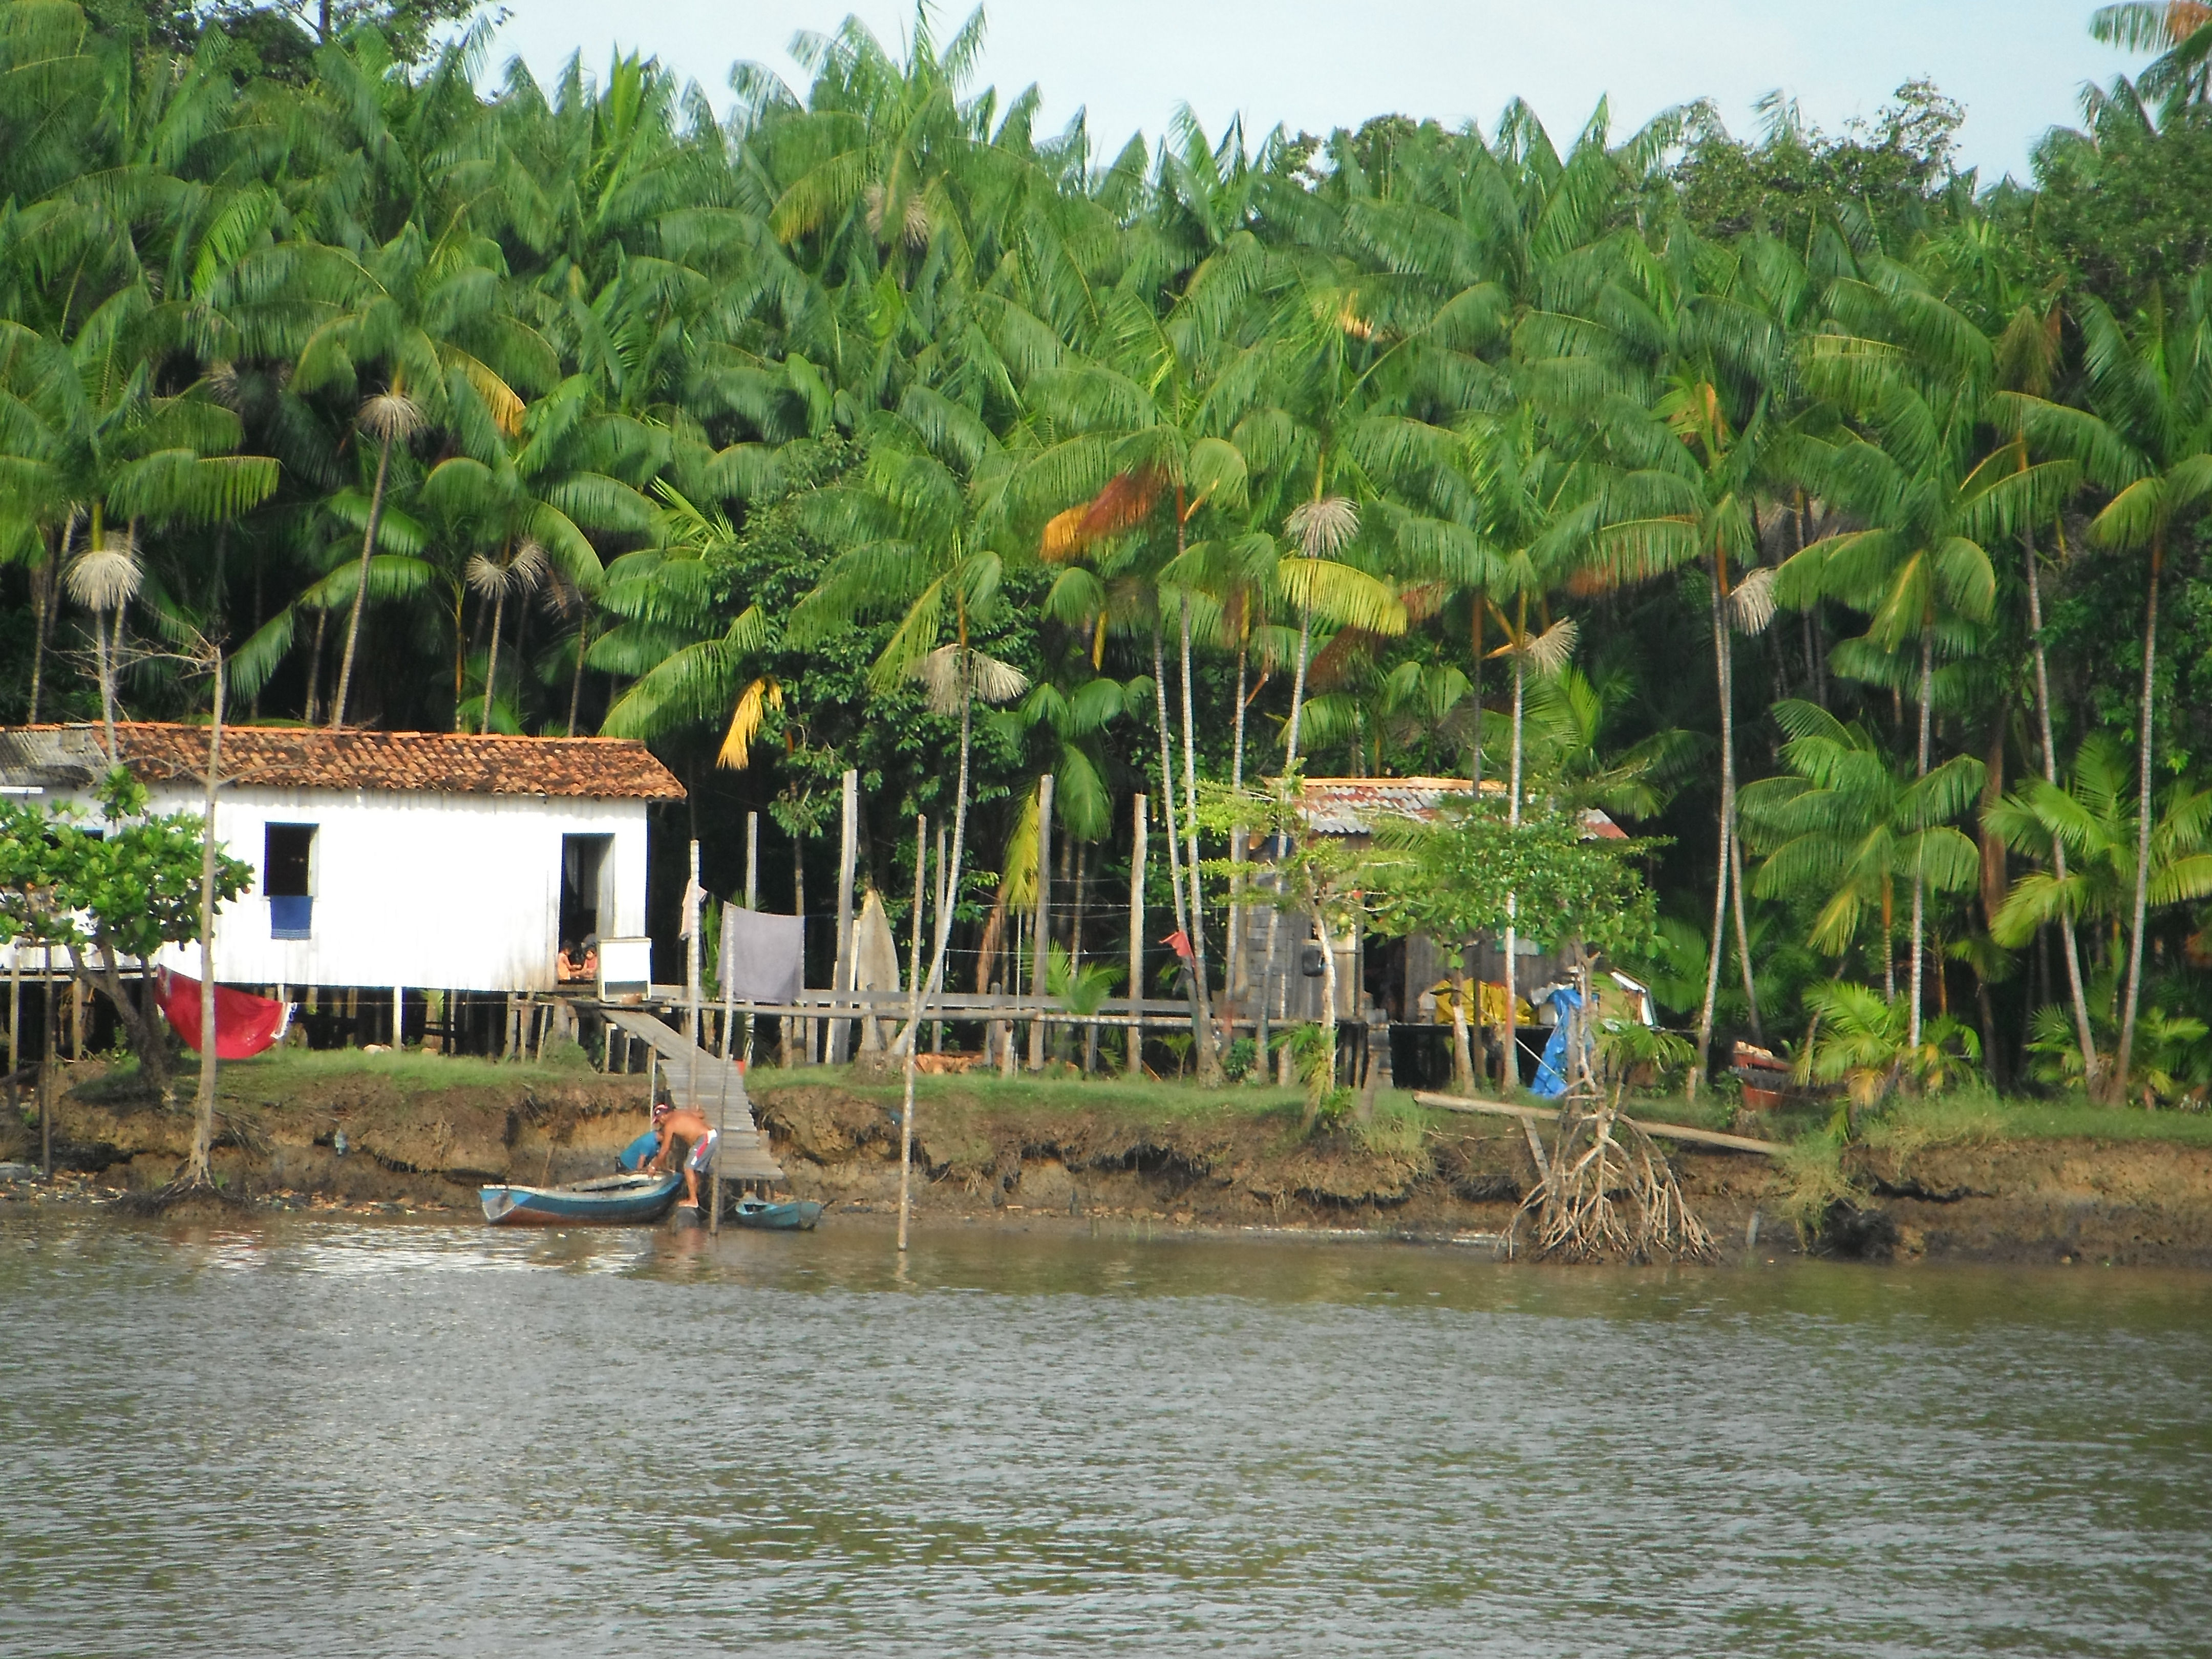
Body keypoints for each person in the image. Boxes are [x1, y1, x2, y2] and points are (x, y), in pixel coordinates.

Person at [648, 1098, 718, 1210]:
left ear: (663, 1116)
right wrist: (698, 1110)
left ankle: (693, 1201)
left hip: (705, 1139)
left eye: (659, 1121)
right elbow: (701, 1114)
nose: (660, 1124)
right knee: (694, 1169)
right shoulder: (681, 1113)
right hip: (711, 1136)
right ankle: (694, 1196)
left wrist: (654, 1166)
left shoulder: (669, 1125)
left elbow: (665, 1149)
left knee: (688, 1168)